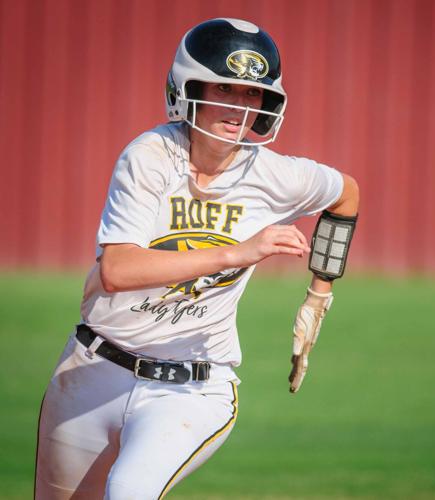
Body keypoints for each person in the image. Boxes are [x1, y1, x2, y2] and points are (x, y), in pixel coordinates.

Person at [35, 17, 359, 499]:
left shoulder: (275, 174)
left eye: (253, 93)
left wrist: (319, 294)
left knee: (128, 492)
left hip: (192, 386)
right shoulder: (149, 156)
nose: (241, 105)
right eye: (225, 88)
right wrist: (238, 252)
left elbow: (346, 194)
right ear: (186, 88)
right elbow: (118, 269)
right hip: (92, 369)